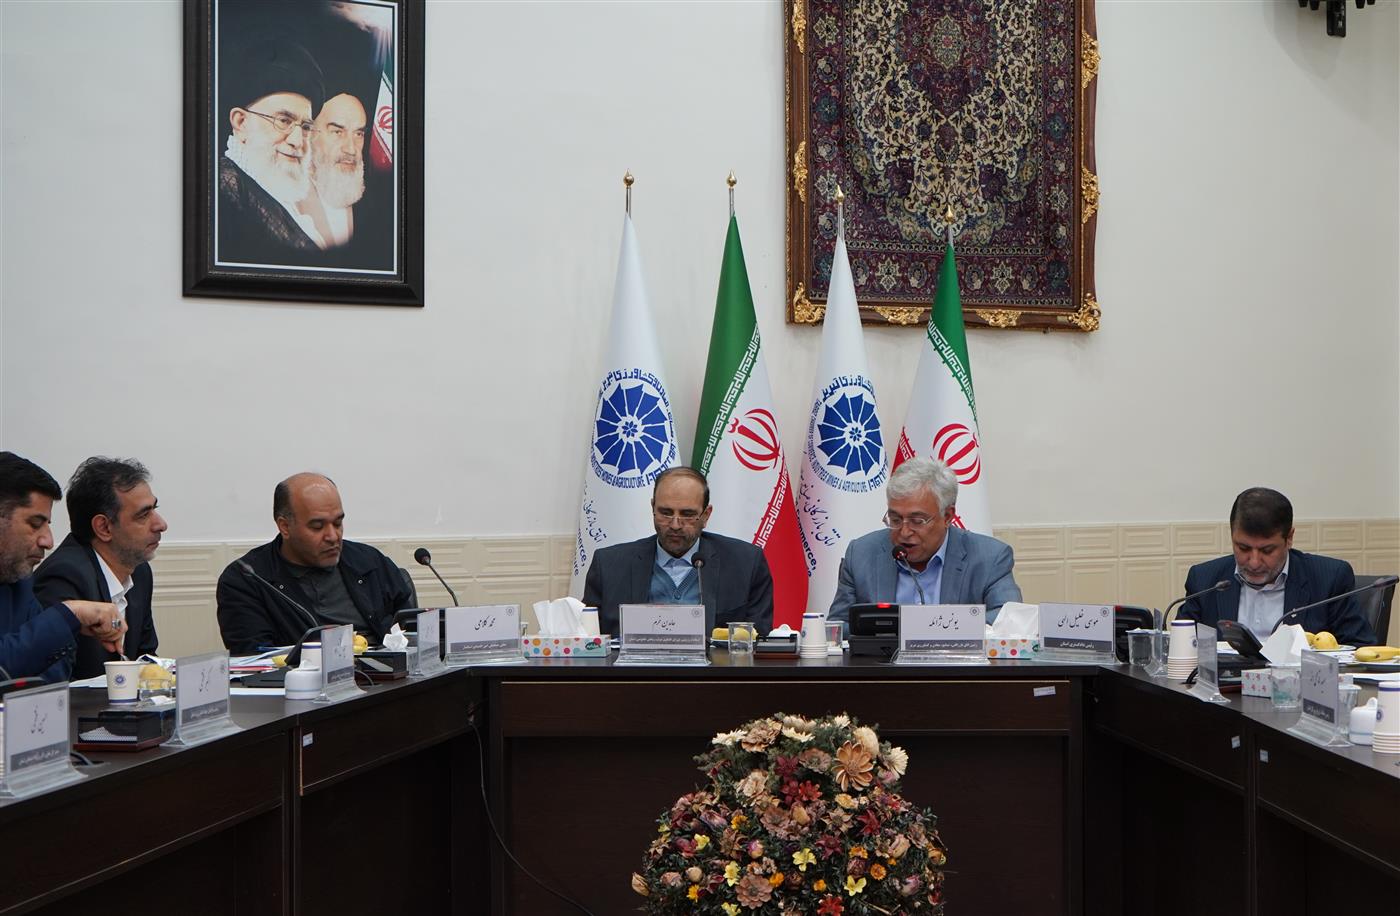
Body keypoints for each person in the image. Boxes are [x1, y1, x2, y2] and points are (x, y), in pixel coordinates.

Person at [215, 473, 415, 653]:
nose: (332, 536)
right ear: (285, 526)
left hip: (386, 674)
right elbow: (255, 657)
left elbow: (411, 629)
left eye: (338, 523)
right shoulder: (248, 579)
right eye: (317, 527)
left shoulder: (369, 562)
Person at [583, 467, 774, 636]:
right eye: (666, 513)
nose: (675, 525)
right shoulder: (608, 566)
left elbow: (758, 640)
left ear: (706, 515)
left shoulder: (745, 563)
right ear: (653, 508)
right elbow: (589, 642)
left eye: (687, 515)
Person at [828, 456, 1021, 623]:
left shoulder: (990, 558)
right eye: (895, 519)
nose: (904, 532)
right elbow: (838, 627)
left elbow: (1009, 619)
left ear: (947, 516)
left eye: (917, 521)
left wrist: (938, 629)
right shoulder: (861, 554)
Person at [1179, 487, 1375, 646]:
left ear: (1289, 538)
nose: (1254, 562)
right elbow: (1180, 648)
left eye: (1267, 550)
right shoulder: (1205, 580)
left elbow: (1360, 649)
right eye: (1243, 548)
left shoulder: (1330, 579)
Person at [34, 457, 166, 679]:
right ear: (103, 527)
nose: (161, 524)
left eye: (155, 509)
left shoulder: (140, 571)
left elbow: (145, 657)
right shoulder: (64, 576)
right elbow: (58, 680)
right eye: (144, 514)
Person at [0, 452, 126, 681]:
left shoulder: (19, 582)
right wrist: (70, 613)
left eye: (47, 525)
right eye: (34, 524)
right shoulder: (56, 573)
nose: (48, 541)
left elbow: (55, 675)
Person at [216, 36, 327, 265]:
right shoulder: (223, 188)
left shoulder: (279, 197)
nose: (297, 141)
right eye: (284, 121)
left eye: (306, 127)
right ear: (241, 122)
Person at [304, 93, 367, 250]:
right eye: (338, 132)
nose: (351, 149)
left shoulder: (375, 205)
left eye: (358, 134)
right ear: (309, 133)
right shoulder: (286, 197)